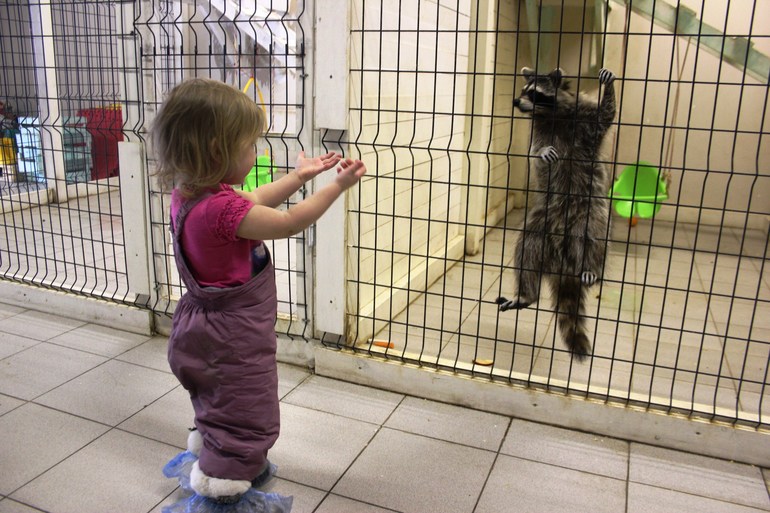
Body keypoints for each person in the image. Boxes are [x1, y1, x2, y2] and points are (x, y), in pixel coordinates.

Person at [152, 77, 366, 506]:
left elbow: (253, 199)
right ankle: (223, 485)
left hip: (202, 326)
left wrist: (299, 176)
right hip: (232, 335)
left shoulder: (193, 195)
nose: (256, 152)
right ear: (217, 151)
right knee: (247, 407)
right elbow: (288, 222)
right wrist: (336, 187)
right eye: (250, 145)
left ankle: (218, 453)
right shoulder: (219, 210)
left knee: (219, 398)